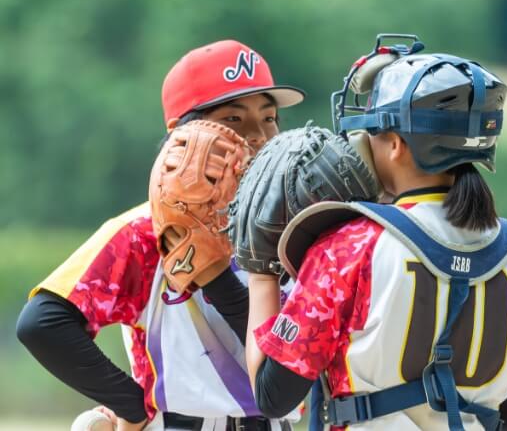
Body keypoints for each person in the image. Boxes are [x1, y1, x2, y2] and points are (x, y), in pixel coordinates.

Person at [244, 39, 507, 430]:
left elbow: (272, 394)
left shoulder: (347, 249)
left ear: (397, 145)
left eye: (372, 130)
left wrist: (260, 274)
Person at [16, 39, 305, 431]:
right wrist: (133, 406)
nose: (257, 134)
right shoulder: (143, 231)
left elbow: (288, 367)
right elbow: (43, 324)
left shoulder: (296, 229)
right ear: (179, 134)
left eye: (269, 118)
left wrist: (218, 279)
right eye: (233, 119)